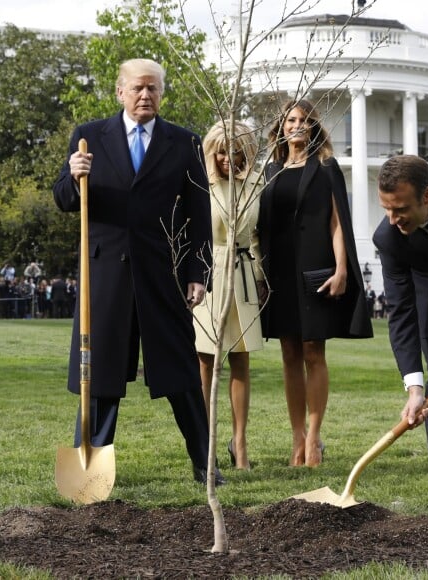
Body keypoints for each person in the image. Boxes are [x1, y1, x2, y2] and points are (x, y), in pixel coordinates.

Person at [53, 58, 224, 485]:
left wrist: (198, 271)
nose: (145, 95)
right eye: (137, 88)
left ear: (161, 94)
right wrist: (74, 178)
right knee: (101, 372)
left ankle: (205, 465)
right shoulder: (88, 138)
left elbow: (198, 213)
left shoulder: (184, 143)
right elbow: (62, 199)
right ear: (120, 92)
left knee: (180, 371)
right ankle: (89, 467)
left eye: (153, 89)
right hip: (105, 274)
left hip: (163, 272)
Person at [258, 98, 372, 467]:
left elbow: (338, 222)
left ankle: (315, 438)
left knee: (312, 351)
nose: (297, 125)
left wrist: (341, 269)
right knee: (288, 352)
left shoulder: (326, 167)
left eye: (305, 120)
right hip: (279, 271)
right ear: (281, 126)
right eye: (291, 120)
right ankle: (297, 439)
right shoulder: (271, 170)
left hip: (316, 268)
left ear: (314, 127)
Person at [193, 120, 265, 470]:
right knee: (206, 359)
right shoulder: (199, 183)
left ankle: (240, 444)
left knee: (241, 358)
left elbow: (256, 237)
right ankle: (204, 443)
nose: (227, 158)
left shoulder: (256, 183)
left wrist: (261, 277)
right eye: (221, 151)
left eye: (235, 151)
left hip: (245, 273)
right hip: (208, 272)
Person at [372, 154, 428, 475]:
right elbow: (401, 311)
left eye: (400, 209)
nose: (393, 218)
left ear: (427, 196)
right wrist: (415, 390)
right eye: (386, 209)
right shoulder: (389, 238)